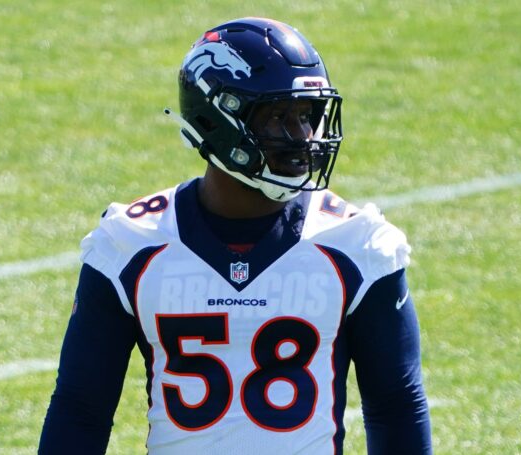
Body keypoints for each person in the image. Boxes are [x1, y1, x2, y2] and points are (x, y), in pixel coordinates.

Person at [39, 17, 432, 454]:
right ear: (217, 119)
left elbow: (396, 405)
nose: (303, 137)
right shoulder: (131, 243)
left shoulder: (356, 243)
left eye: (307, 116)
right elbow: (81, 409)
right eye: (279, 117)